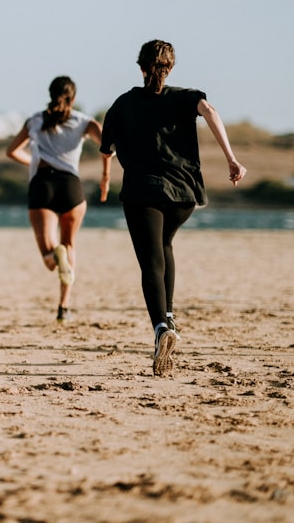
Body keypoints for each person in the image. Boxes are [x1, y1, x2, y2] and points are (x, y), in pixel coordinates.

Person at [99, 39, 246, 376]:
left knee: (151, 263)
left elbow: (105, 148)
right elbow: (210, 111)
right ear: (171, 67)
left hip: (142, 193)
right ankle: (170, 314)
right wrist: (232, 159)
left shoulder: (123, 103)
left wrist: (108, 172)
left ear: (140, 67)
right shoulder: (185, 97)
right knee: (165, 245)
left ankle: (161, 328)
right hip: (183, 195)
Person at [6, 76, 111, 321]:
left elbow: (10, 150)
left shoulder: (35, 120)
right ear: (73, 98)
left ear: (50, 94)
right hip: (71, 187)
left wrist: (32, 161)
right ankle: (64, 306)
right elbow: (108, 146)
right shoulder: (84, 122)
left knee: (49, 259)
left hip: (42, 185)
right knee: (70, 244)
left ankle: (55, 255)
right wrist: (105, 177)